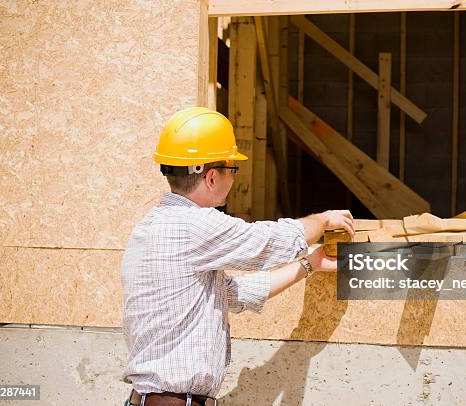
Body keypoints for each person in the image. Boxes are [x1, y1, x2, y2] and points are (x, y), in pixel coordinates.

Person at [121, 107, 354, 406]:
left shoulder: (154, 226)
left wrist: (310, 263)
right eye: (233, 170)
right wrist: (322, 221)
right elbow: (264, 242)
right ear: (211, 177)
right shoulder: (195, 226)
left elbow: (234, 294)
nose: (233, 180)